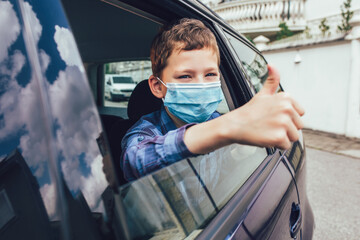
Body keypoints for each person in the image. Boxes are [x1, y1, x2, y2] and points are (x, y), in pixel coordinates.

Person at [121, 18, 304, 181]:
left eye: (210, 74)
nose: (201, 85)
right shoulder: (145, 131)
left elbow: (218, 174)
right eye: (185, 76)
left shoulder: (216, 119)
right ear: (158, 86)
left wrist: (239, 153)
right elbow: (135, 161)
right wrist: (226, 127)